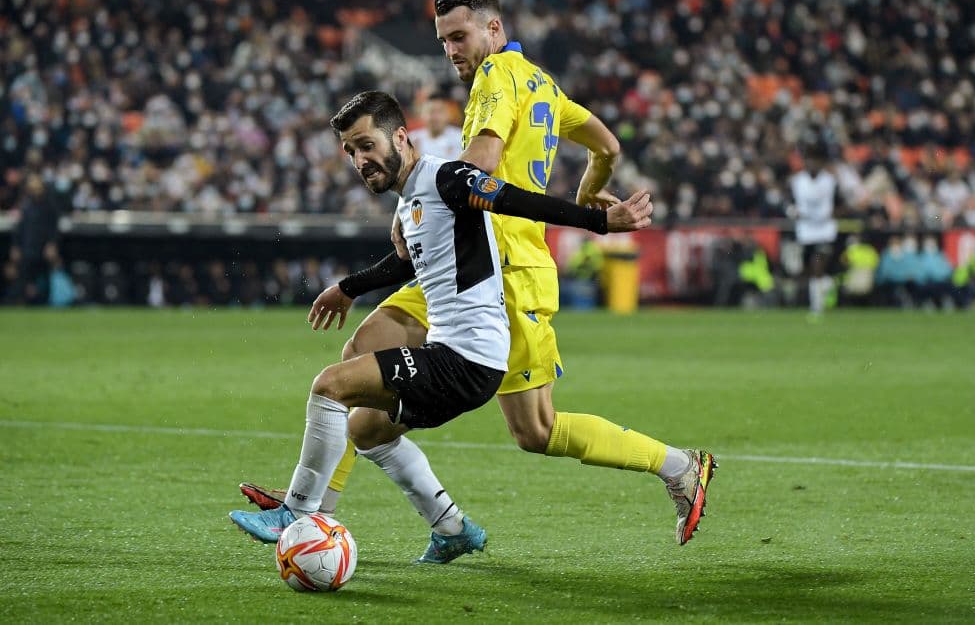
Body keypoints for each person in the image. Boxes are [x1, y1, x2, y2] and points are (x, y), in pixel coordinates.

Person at [238, 0, 716, 549]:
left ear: (495, 30)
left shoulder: (496, 78)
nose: (451, 51)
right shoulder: (544, 85)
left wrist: (428, 198)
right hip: (469, 262)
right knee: (362, 363)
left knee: (535, 431)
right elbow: (606, 146)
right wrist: (590, 191)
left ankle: (679, 465)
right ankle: (317, 511)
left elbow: (480, 167)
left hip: (506, 272)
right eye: (443, 42)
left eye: (459, 36)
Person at [228, 91, 663, 561]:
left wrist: (600, 221)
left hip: (465, 359)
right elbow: (407, 264)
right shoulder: (414, 197)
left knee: (331, 386)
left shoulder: (448, 178)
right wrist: (349, 288)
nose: (360, 160)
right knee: (367, 431)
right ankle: (451, 528)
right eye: (351, 152)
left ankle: (298, 512)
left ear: (400, 136)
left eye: (367, 144)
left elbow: (519, 202)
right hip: (458, 360)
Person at [790, 141, 838, 317]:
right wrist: (793, 211)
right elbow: (791, 204)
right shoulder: (797, 181)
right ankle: (828, 284)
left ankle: (816, 307)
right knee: (808, 270)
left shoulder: (830, 180)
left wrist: (834, 212)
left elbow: (840, 204)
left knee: (817, 265)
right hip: (805, 230)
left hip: (824, 230)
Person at [6, 174, 60, 305]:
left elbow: (54, 228)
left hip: (43, 248)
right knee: (24, 278)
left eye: (37, 185)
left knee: (45, 279)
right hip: (28, 248)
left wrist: (52, 244)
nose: (35, 188)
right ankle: (22, 302)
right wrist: (15, 246)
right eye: (32, 185)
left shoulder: (49, 205)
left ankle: (45, 302)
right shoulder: (25, 205)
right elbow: (19, 228)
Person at [409, 93, 464, 160]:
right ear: (422, 114)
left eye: (440, 112)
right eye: (431, 111)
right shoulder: (412, 140)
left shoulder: (461, 139)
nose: (435, 117)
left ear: (448, 114)